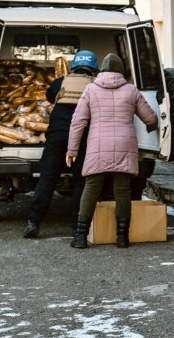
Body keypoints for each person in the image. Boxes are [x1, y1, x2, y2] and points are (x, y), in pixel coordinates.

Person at [67, 54, 158, 249]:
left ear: (102, 70)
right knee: (122, 189)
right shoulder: (131, 90)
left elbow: (78, 122)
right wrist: (153, 131)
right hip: (125, 144)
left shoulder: (90, 89)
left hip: (98, 145)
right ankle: (122, 237)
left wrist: (72, 150)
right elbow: (150, 118)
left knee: (91, 187)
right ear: (121, 71)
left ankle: (80, 236)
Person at [22, 50, 98, 239]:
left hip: (57, 136)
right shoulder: (95, 85)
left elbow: (49, 97)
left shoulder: (60, 82)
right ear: (94, 68)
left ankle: (34, 221)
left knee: (47, 179)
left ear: (74, 66)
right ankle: (76, 226)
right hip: (84, 137)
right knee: (81, 182)